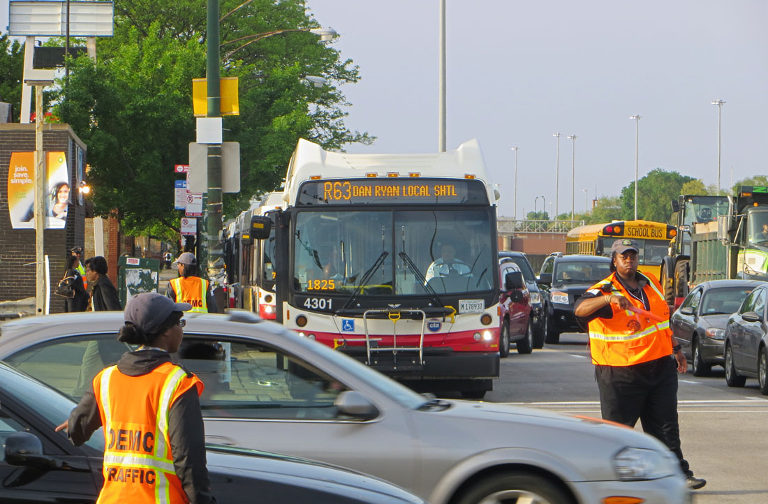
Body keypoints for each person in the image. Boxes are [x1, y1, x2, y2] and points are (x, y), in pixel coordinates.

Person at [56, 293, 217, 503]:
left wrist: (75, 419)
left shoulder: (106, 379)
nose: (181, 329)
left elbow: (77, 431)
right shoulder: (178, 383)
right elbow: (188, 460)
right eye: (179, 322)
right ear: (166, 332)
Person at [573, 239, 706, 490]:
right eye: (624, 256)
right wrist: (607, 300)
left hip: (659, 368)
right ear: (614, 260)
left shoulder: (651, 284)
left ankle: (678, 475)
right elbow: (579, 309)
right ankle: (605, 480)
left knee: (666, 428)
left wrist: (676, 349)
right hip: (621, 374)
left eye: (633, 255)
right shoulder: (604, 289)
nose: (629, 260)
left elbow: (661, 321)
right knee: (617, 434)